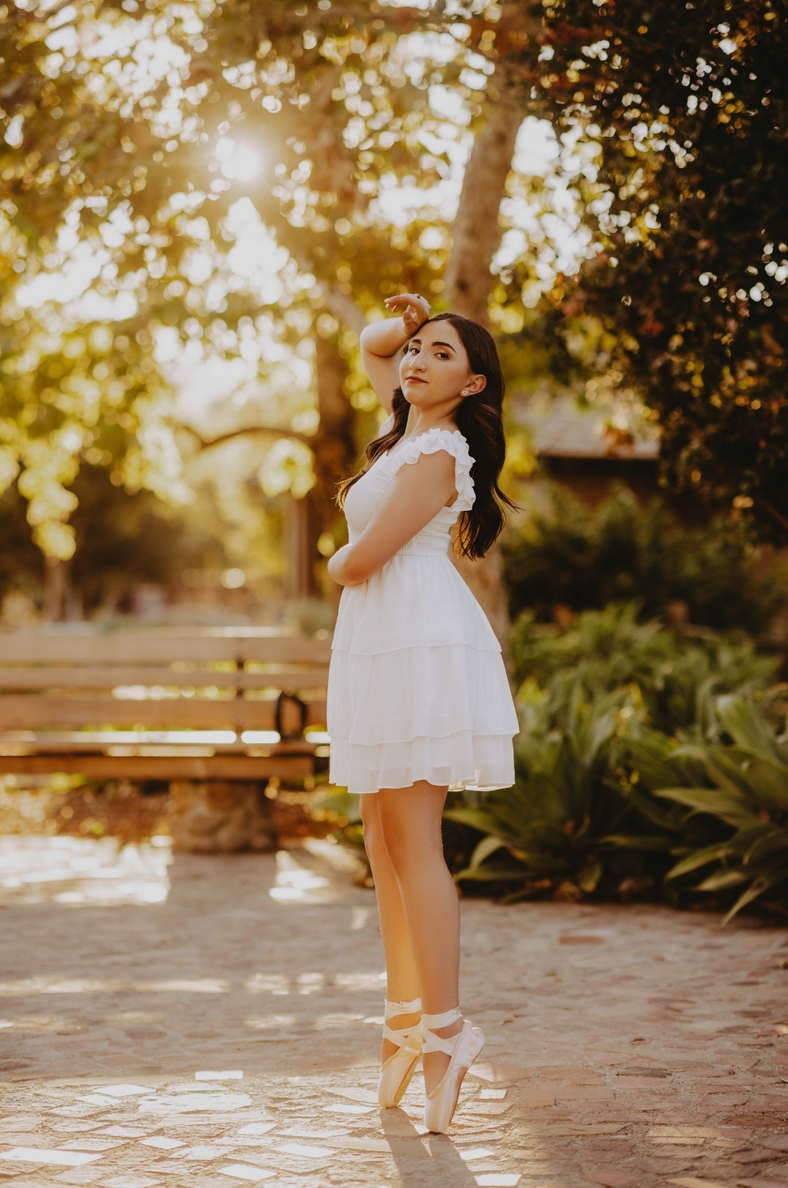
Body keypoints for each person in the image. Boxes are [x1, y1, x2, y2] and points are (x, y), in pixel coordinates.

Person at [325, 294, 522, 1134]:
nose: (414, 360)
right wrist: (396, 321)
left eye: (439, 354)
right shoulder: (406, 429)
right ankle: (405, 1010)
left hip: (417, 641)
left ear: (470, 382)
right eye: (417, 350)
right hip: (384, 641)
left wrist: (335, 557)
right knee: (379, 838)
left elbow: (359, 561)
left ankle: (445, 1030)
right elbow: (371, 346)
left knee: (414, 841)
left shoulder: (438, 450)